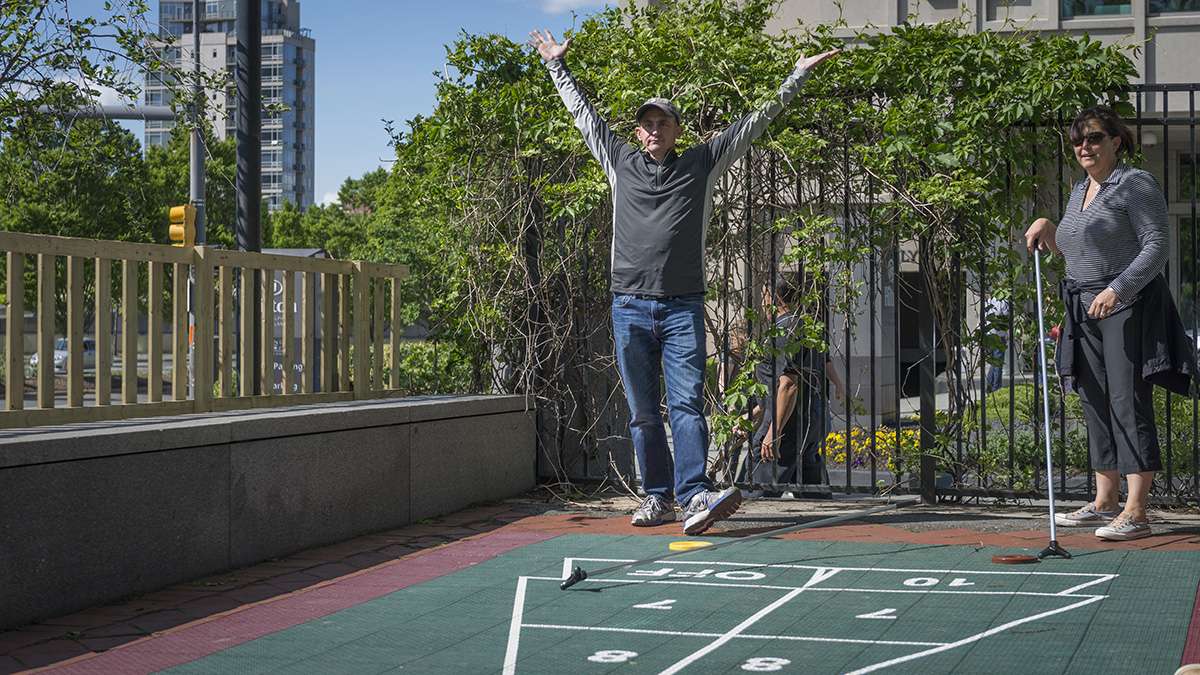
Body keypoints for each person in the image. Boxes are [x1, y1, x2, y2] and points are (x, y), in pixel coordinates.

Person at [530, 29, 839, 534]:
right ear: (639, 133)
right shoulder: (619, 162)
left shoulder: (701, 163)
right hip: (628, 305)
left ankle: (694, 495)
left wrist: (796, 76)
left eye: (663, 122)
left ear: (677, 130)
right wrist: (556, 67)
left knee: (686, 404)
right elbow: (582, 116)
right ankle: (657, 497)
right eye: (647, 124)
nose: (654, 130)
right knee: (642, 413)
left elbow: (751, 125)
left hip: (681, 308)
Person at [1025, 105, 1196, 541]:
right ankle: (1105, 502)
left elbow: (1157, 246)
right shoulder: (1080, 189)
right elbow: (1075, 244)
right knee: (1094, 397)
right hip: (1083, 306)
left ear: (1116, 142)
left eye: (1095, 137)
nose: (1085, 146)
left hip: (1125, 304)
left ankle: (1137, 512)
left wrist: (1118, 289)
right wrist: (1049, 223)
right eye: (1078, 139)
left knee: (1127, 400)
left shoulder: (1133, 183)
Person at [747, 275, 845, 495]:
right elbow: (824, 360)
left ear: (775, 298)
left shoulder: (784, 331)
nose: (762, 301)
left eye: (765, 295)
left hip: (789, 421)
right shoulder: (807, 326)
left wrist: (774, 432)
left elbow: (788, 385)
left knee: (760, 487)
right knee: (812, 486)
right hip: (811, 418)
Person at [984, 296, 1010, 393]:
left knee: (994, 363)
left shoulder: (988, 301)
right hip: (999, 335)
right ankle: (996, 388)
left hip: (989, 335)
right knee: (998, 363)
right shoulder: (1003, 301)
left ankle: (989, 386)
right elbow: (1005, 316)